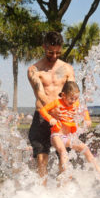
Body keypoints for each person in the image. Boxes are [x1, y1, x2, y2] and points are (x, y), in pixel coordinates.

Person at [27, 31, 76, 178]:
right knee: (42, 159)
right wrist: (53, 110)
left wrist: (78, 114)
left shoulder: (67, 69)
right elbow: (40, 94)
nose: (54, 56)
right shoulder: (34, 70)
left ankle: (62, 194)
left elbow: (72, 92)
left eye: (57, 53)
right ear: (44, 47)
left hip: (62, 117)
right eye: (50, 52)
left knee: (64, 157)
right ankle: (42, 195)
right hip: (43, 117)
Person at [38, 81, 100, 178]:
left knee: (85, 148)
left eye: (76, 98)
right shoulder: (57, 102)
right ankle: (65, 175)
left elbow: (84, 110)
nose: (73, 101)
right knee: (63, 152)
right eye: (71, 98)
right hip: (57, 136)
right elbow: (42, 110)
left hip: (68, 137)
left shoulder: (75, 104)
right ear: (63, 95)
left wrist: (87, 120)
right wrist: (50, 118)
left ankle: (99, 170)